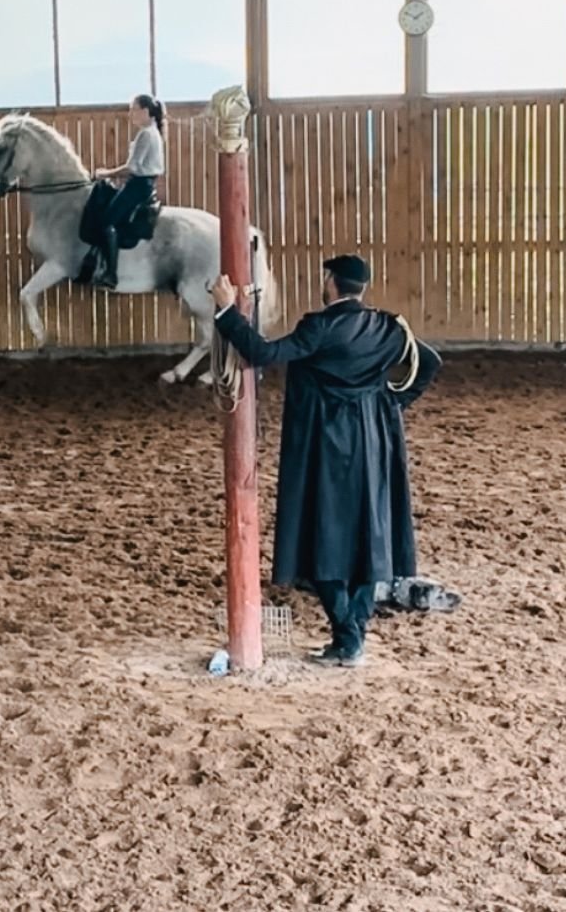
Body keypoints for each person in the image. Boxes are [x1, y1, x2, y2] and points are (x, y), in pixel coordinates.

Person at [210, 254, 442, 668]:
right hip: (373, 439)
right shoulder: (389, 327)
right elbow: (430, 364)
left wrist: (227, 310)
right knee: (368, 533)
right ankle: (352, 634)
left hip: (328, 442)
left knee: (327, 535)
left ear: (332, 283)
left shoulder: (318, 328)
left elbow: (261, 352)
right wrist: (393, 403)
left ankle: (348, 637)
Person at [93, 94, 166, 289]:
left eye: (133, 109)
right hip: (144, 184)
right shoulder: (153, 132)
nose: (130, 114)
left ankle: (110, 275)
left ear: (145, 111)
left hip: (138, 186)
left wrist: (104, 173)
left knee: (106, 222)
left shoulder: (146, 134)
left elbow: (132, 167)